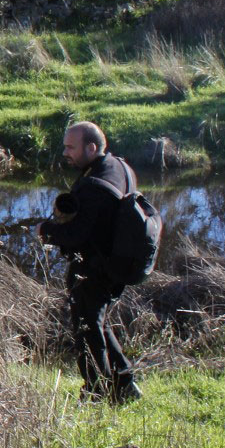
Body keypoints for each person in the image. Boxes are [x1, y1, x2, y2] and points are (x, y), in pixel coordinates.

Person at [39, 121, 142, 403]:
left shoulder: (93, 186)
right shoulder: (120, 167)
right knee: (98, 323)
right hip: (116, 264)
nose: (65, 153)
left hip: (94, 269)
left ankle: (96, 390)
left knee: (86, 328)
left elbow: (75, 234)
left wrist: (46, 230)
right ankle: (125, 383)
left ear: (92, 147)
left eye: (71, 147)